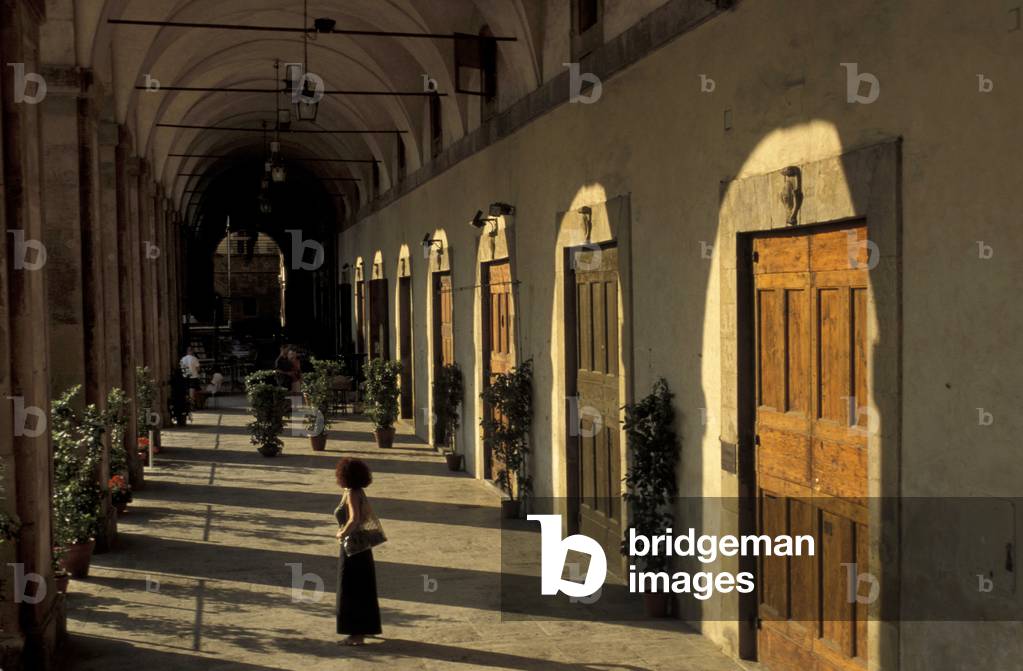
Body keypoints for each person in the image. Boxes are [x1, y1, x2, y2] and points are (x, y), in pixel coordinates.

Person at [334, 458, 382, 646]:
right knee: (363, 589)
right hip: (362, 548)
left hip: (353, 548)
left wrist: (342, 532)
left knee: (350, 590)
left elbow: (354, 519)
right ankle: (366, 628)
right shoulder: (355, 491)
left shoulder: (353, 493)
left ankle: (356, 634)